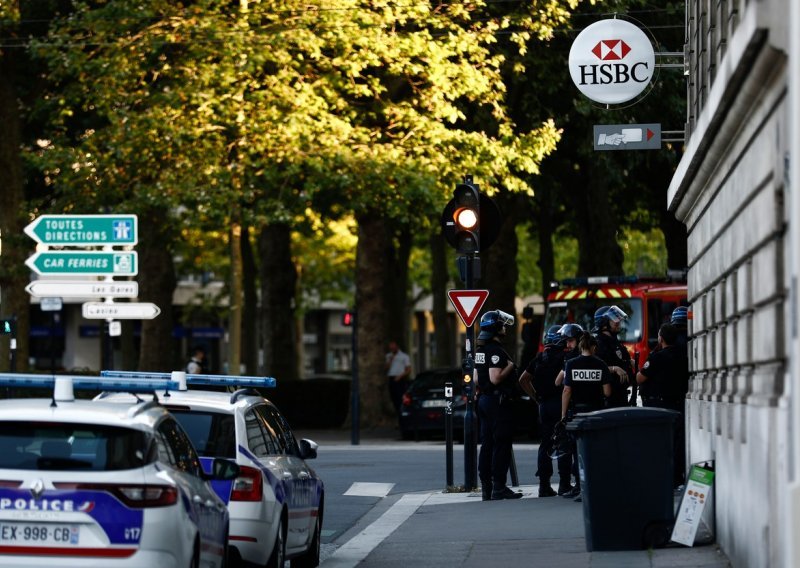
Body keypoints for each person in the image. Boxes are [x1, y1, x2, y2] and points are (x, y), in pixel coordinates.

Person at [558, 331, 613, 501]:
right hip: (595, 412)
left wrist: (563, 414)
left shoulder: (571, 364)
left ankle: (580, 485)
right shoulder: (601, 364)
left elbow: (567, 390)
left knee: (577, 450)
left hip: (577, 413)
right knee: (595, 450)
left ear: (581, 346)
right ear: (594, 346)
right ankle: (593, 485)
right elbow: (607, 392)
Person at [519, 326, 573, 497]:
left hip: (544, 406)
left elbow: (523, 379)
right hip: (560, 404)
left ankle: (544, 485)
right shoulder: (565, 358)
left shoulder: (539, 358)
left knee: (545, 444)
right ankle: (564, 484)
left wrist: (536, 397)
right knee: (563, 442)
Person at [475, 309, 522, 501]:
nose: (504, 328)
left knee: (487, 444)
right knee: (501, 444)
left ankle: (486, 487)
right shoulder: (496, 351)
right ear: (496, 329)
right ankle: (499, 487)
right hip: (498, 402)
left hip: (484, 401)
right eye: (502, 325)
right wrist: (511, 365)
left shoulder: (480, 351)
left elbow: (477, 379)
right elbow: (495, 378)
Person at [636, 323, 690, 487]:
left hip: (659, 406)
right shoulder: (684, 356)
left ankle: (663, 478)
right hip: (678, 404)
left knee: (660, 443)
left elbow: (640, 378)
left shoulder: (657, 357)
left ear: (661, 338)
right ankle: (676, 478)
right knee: (677, 443)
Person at [592, 305, 635, 407]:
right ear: (604, 324)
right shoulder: (598, 344)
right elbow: (595, 368)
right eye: (614, 320)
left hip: (621, 395)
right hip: (608, 399)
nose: (618, 323)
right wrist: (614, 369)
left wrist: (629, 362)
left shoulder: (615, 341)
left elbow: (620, 359)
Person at [385, 340, 412, 419]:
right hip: (391, 378)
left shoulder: (404, 356)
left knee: (400, 398)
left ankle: (403, 416)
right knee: (393, 398)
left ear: (397, 346)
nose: (392, 348)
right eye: (391, 347)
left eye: (393, 346)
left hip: (400, 378)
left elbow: (408, 369)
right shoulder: (388, 356)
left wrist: (400, 376)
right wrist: (390, 360)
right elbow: (386, 368)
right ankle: (398, 416)